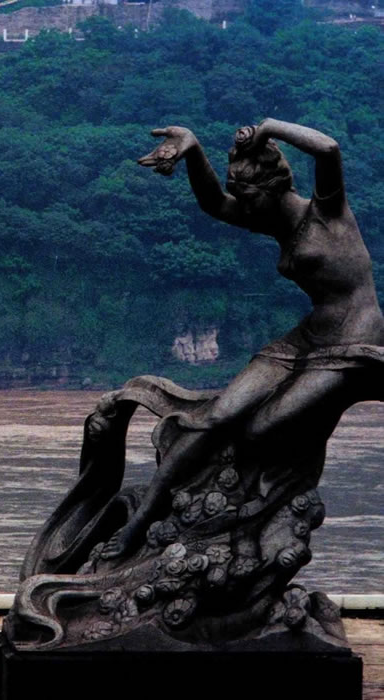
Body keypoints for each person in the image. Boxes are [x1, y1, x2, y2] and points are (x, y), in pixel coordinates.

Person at [100, 119, 384, 559]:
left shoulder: (327, 211)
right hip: (308, 336)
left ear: (275, 187)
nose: (244, 207)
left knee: (261, 428)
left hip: (353, 342)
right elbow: (215, 202)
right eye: (242, 196)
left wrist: (269, 127)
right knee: (216, 417)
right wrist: (194, 149)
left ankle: (259, 511)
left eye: (250, 196)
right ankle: (139, 523)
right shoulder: (273, 222)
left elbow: (328, 149)